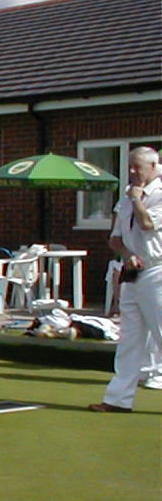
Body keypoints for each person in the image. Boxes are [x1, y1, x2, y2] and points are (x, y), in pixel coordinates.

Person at [90, 145, 162, 412]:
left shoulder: (157, 193)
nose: (131, 171)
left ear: (153, 166)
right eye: (129, 166)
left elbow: (147, 224)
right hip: (132, 272)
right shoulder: (127, 194)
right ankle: (117, 399)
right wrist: (127, 254)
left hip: (158, 270)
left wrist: (137, 199)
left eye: (137, 167)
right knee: (129, 338)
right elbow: (115, 239)